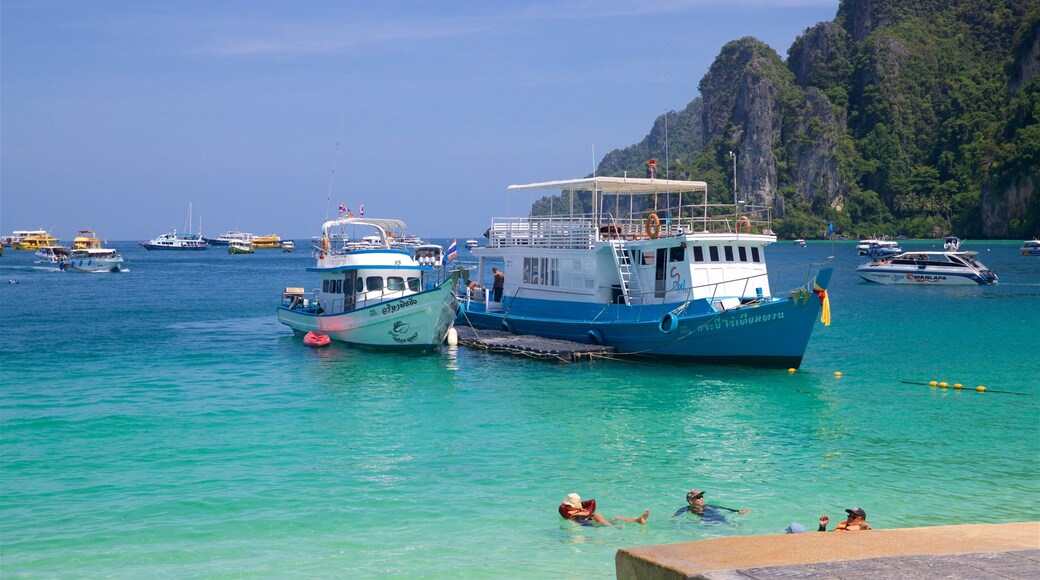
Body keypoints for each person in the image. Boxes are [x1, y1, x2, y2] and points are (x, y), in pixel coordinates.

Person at [558, 493, 649, 527]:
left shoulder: (584, 509)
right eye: (567, 505)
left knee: (616, 518)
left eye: (568, 505)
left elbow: (592, 501)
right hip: (586, 522)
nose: (567, 506)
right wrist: (577, 507)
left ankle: (638, 520)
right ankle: (613, 527)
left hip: (595, 520)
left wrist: (579, 506)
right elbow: (561, 507)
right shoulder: (567, 513)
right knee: (597, 515)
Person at [672, 489, 750, 523]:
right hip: (706, 521)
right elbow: (677, 514)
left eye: (702, 496)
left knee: (728, 523)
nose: (701, 499)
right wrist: (673, 518)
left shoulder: (707, 506)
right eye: (698, 497)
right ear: (690, 501)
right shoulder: (687, 508)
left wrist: (738, 511)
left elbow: (723, 508)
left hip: (717, 517)